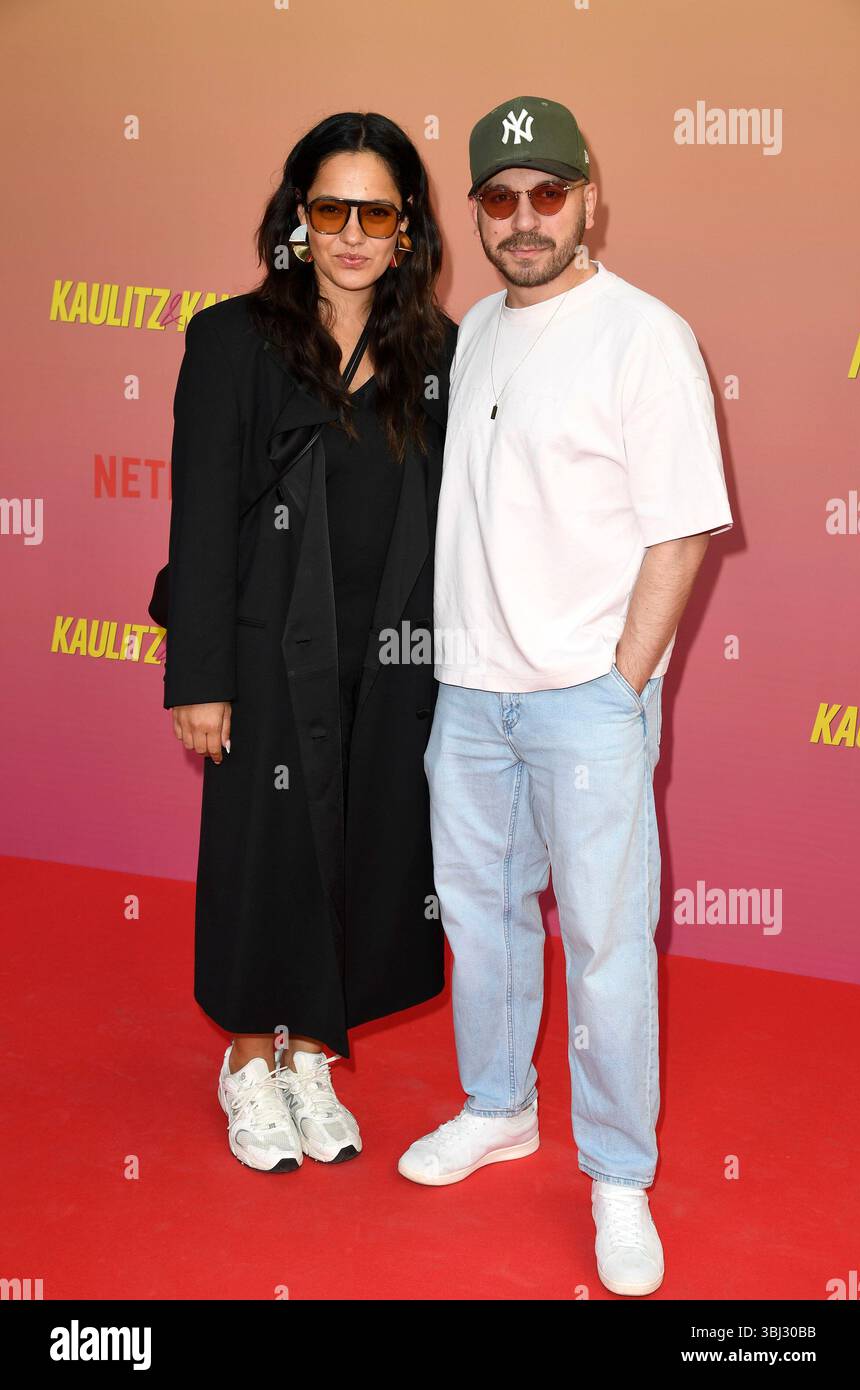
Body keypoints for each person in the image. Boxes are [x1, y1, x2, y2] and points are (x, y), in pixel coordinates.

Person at [398, 95, 734, 1297]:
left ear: (589, 195)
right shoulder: (476, 327)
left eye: (549, 193)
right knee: (480, 923)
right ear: (477, 215)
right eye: (500, 198)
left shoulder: (644, 333)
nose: (526, 217)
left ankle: (617, 1173)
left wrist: (618, 684)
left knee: (601, 945)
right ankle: (497, 1106)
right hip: (467, 694)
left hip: (584, 700)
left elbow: (683, 530)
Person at [163, 111, 456, 1174]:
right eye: (329, 207)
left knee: (362, 851)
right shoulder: (231, 341)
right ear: (298, 217)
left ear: (405, 227)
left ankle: (311, 1058)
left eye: (374, 211)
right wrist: (199, 674)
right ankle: (249, 1057)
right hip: (259, 653)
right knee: (261, 859)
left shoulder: (436, 356)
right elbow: (197, 521)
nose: (349, 233)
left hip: (387, 661)